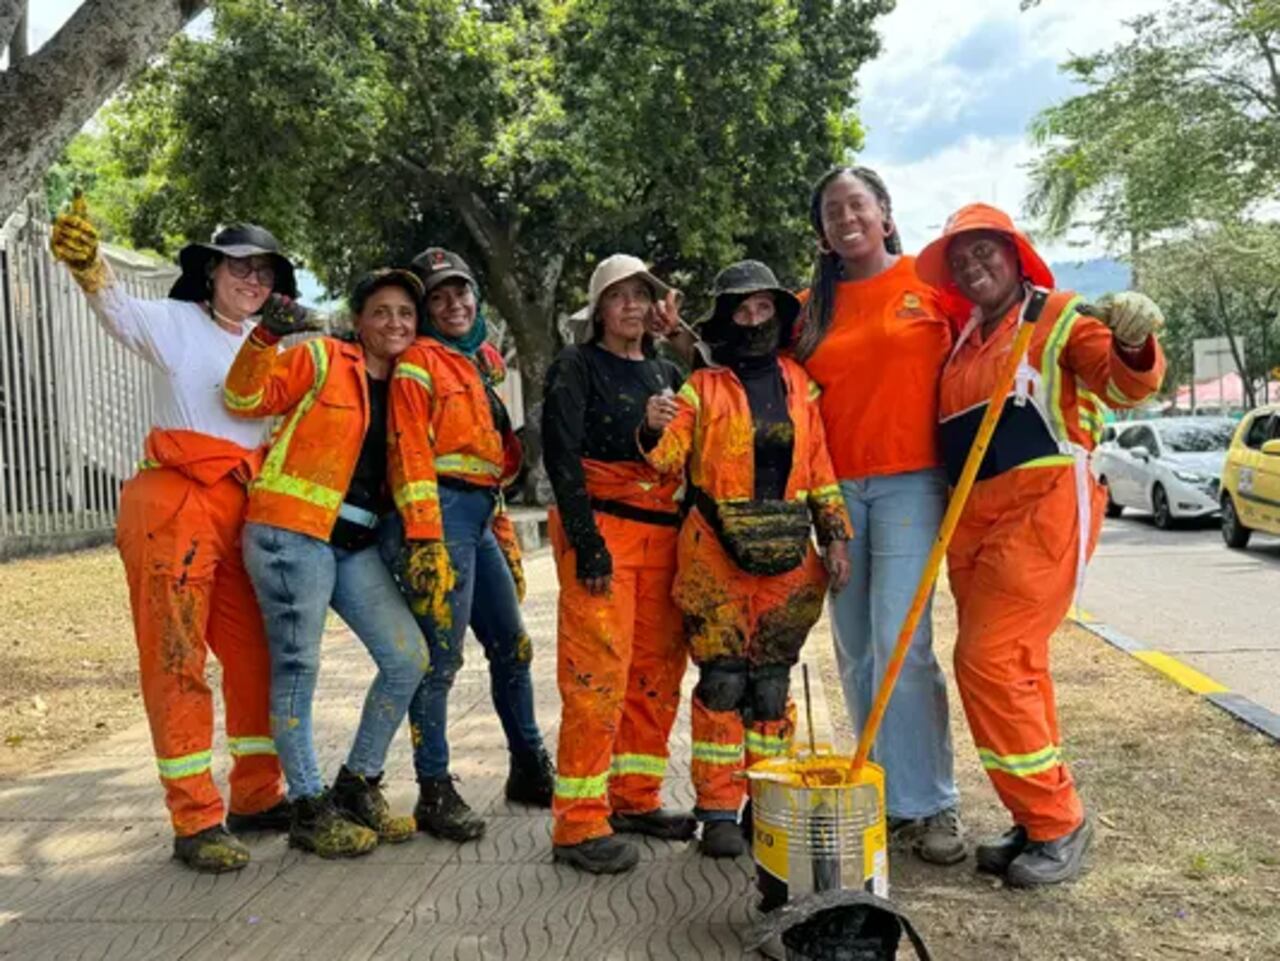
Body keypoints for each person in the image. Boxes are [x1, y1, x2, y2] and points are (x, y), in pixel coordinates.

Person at [916, 204, 1165, 886]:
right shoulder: (964, 338)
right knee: (1015, 667)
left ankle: (1058, 820)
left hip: (1041, 509)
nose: (972, 266)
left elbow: (1123, 382)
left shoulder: (1057, 316)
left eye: (984, 252)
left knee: (989, 660)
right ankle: (1034, 814)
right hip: (973, 519)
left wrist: (1137, 342)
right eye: (961, 260)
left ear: (1014, 253)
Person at [49, 198, 288, 873]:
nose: (253, 282)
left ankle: (258, 794)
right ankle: (195, 816)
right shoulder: (176, 323)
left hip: (243, 506)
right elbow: (118, 312)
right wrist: (91, 267)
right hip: (173, 501)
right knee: (176, 658)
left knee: (255, 658)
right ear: (211, 271)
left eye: (265, 274)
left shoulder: (267, 347)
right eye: (241, 268)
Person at [640, 260, 852, 858]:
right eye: (742, 309)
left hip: (789, 557)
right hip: (713, 558)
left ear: (777, 316)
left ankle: (769, 797)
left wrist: (835, 535)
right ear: (727, 320)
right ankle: (717, 808)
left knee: (769, 685)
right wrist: (652, 426)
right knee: (724, 681)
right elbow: (664, 461)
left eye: (763, 308)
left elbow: (819, 471)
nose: (754, 318)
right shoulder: (700, 389)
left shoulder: (801, 386)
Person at [224, 269, 431, 858]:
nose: (394, 322)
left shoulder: (414, 383)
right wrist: (265, 337)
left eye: (405, 314)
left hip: (354, 545)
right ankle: (310, 808)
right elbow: (243, 398)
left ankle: (357, 783)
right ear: (359, 320)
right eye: (381, 311)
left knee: (407, 657)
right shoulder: (320, 359)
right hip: (291, 535)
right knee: (298, 667)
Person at [794, 167, 963, 865]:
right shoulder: (808, 310)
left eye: (857, 204)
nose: (846, 217)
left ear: (886, 214)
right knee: (857, 649)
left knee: (903, 641)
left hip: (911, 485)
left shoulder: (933, 288)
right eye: (832, 211)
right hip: (835, 496)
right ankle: (880, 790)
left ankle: (931, 803)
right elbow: (763, 383)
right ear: (824, 232)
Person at [386, 248, 551, 843]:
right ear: (426, 310)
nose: (453, 304)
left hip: (480, 515)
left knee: (514, 646)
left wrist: (504, 537)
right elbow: (408, 455)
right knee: (440, 658)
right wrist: (426, 538)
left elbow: (491, 464)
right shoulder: (418, 364)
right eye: (438, 297)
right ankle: (434, 788)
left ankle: (529, 766)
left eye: (461, 293)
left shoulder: (477, 362)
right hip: (443, 517)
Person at [541, 254, 693, 875]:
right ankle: (577, 824)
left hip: (664, 539)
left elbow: (716, 401)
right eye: (618, 296)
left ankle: (635, 799)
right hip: (603, 532)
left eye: (641, 295)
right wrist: (588, 542)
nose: (630, 305)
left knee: (655, 677)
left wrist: (683, 336)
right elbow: (561, 457)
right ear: (598, 310)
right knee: (595, 678)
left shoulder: (667, 370)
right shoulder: (575, 367)